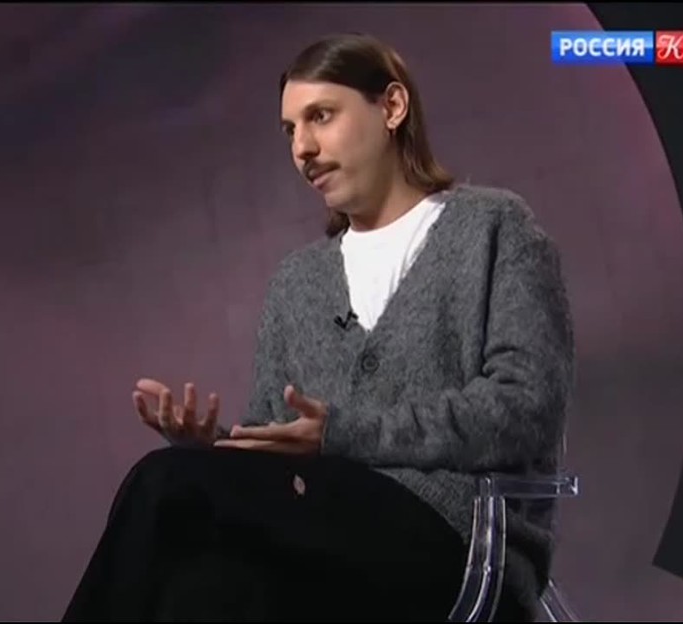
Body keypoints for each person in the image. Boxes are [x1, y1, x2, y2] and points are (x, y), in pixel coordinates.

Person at [62, 32, 574, 622]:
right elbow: (280, 444)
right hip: (320, 542)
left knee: (163, 484)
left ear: (392, 107)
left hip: (454, 538)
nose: (303, 148)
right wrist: (218, 448)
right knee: (202, 593)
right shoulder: (297, 281)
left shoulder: (494, 227)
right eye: (289, 131)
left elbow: (526, 408)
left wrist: (341, 434)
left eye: (321, 117)